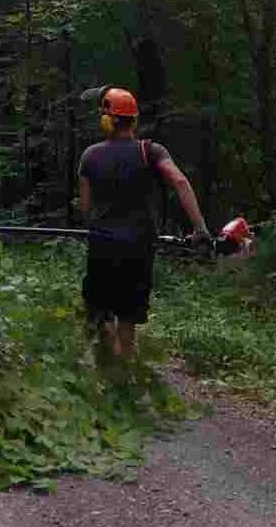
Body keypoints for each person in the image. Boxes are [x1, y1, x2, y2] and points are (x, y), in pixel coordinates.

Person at [78, 87, 209, 362]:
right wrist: (200, 229)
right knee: (128, 319)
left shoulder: (90, 156)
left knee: (101, 312)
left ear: (106, 120)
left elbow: (86, 207)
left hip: (102, 245)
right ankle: (126, 370)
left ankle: (106, 369)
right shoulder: (150, 150)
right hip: (139, 247)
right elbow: (181, 182)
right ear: (133, 120)